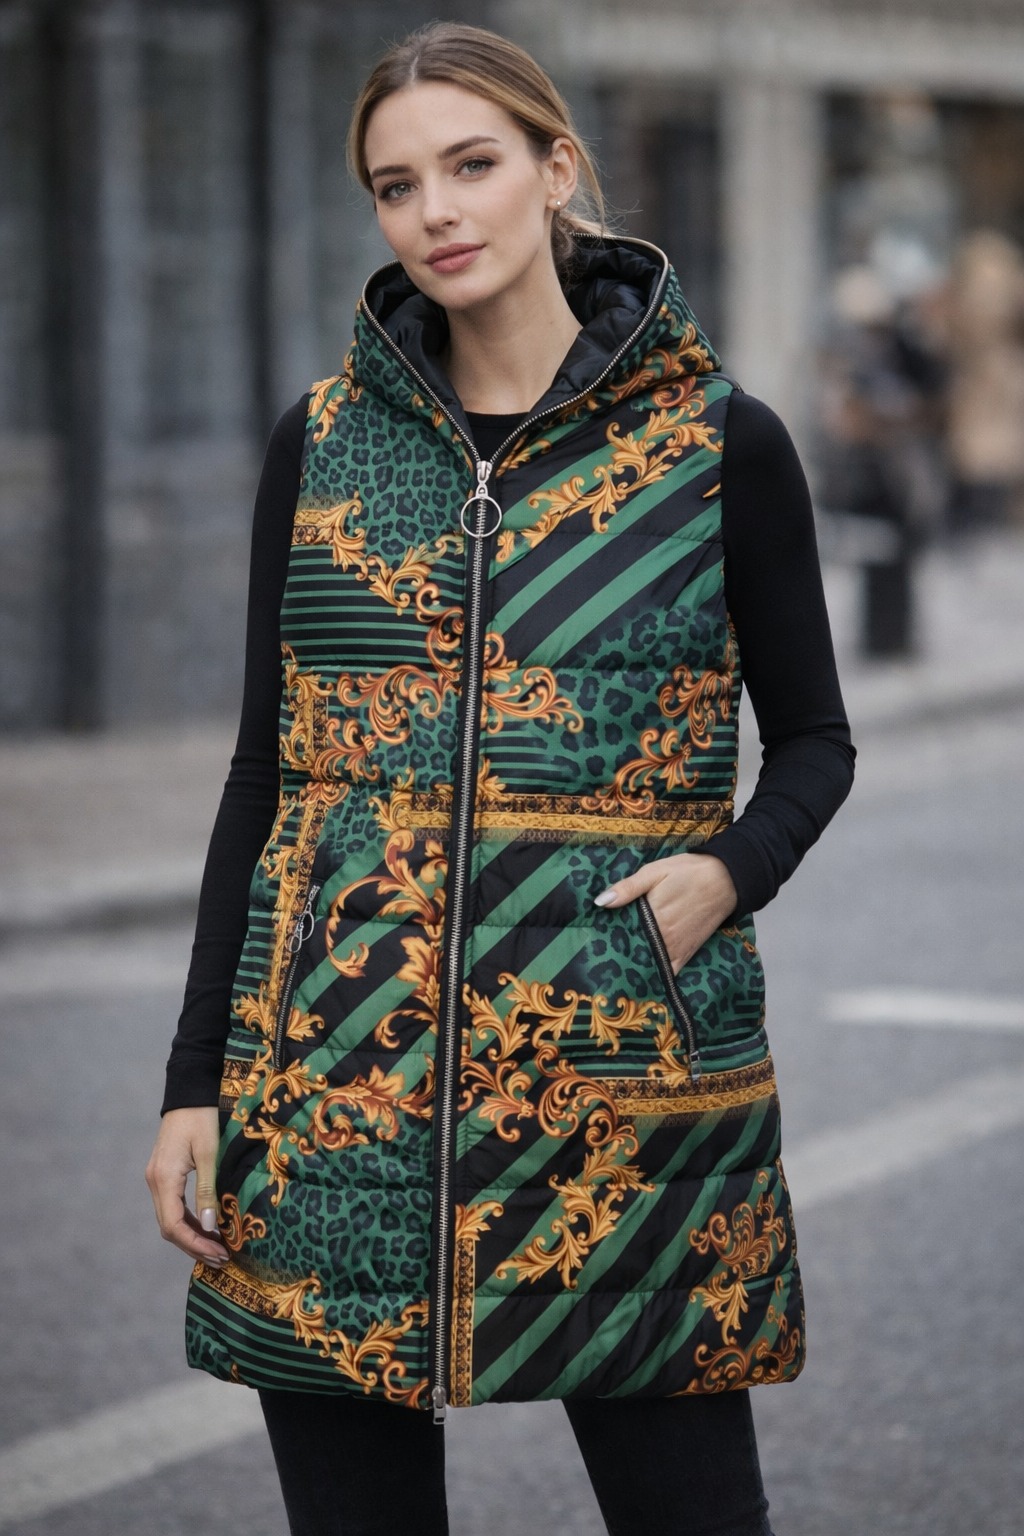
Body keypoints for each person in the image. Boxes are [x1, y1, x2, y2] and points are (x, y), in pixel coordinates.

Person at [146, 21, 855, 1535]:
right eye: (397, 186)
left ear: (556, 169)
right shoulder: (323, 447)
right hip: (337, 1096)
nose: (437, 213)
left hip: (622, 1096)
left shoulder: (718, 445)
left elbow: (817, 740)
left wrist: (729, 872)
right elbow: (266, 777)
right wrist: (196, 1079)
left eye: (471, 165)